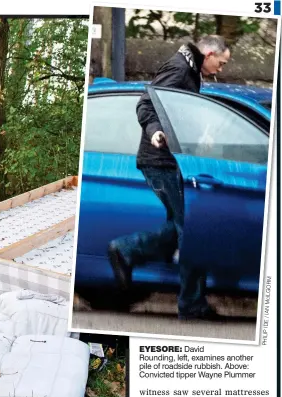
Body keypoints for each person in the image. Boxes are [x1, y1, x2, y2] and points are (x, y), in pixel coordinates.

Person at [107, 35, 231, 321]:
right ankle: (192, 305)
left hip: (173, 161)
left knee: (181, 227)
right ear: (209, 53)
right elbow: (145, 104)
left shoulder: (189, 69)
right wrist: (155, 133)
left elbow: (179, 114)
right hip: (160, 161)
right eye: (221, 63)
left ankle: (126, 251)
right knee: (192, 229)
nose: (221, 69)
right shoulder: (178, 68)